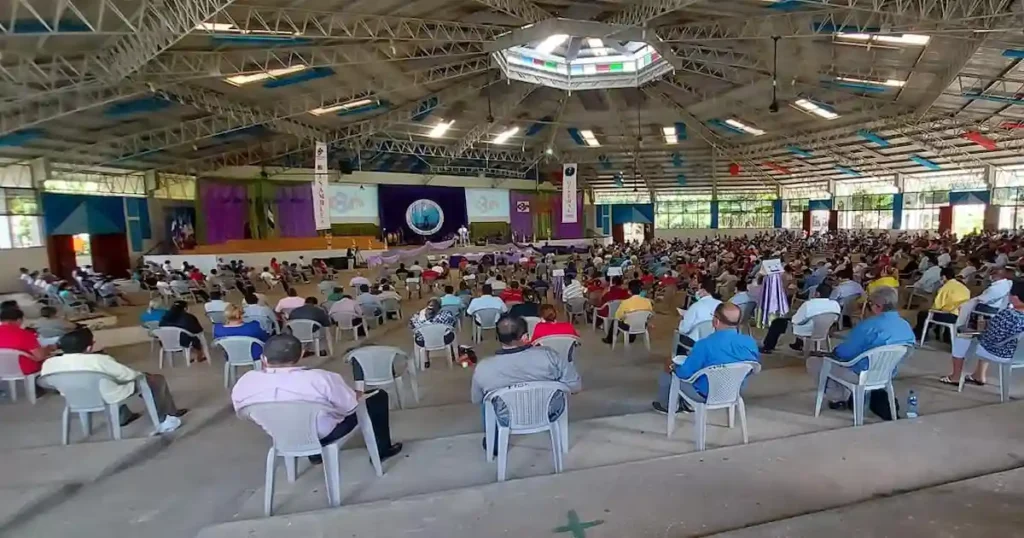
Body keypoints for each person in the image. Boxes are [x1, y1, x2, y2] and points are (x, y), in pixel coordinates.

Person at [231, 334, 402, 463]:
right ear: (301, 355)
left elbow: (242, 412)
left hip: (282, 435)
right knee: (378, 397)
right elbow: (349, 407)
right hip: (325, 434)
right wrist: (361, 395)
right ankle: (381, 450)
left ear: (263, 359)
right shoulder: (320, 378)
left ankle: (314, 454)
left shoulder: (246, 381)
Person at [472, 315, 582, 451]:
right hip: (548, 412)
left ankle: (493, 443)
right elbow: (574, 386)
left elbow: (476, 399)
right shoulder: (549, 355)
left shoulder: (484, 367)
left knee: (486, 402)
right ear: (525, 337)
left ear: (498, 337)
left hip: (506, 418)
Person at [43, 328, 187, 431]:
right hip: (108, 394)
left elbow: (48, 383)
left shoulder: (49, 364)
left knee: (108, 383)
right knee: (154, 380)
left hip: (74, 396)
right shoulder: (98, 360)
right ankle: (166, 415)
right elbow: (128, 375)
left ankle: (124, 415)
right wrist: (144, 375)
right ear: (88, 347)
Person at [807, 286, 914, 410]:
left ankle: (837, 398)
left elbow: (845, 353)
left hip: (861, 374)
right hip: (887, 373)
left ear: (878, 306)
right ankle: (850, 394)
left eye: (870, 304)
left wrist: (830, 354)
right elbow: (908, 351)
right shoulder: (905, 325)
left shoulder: (869, 325)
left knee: (815, 362)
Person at [654, 302, 759, 414]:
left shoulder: (704, 344)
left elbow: (684, 374)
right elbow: (753, 367)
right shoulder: (750, 343)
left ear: (716, 321)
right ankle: (685, 403)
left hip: (704, 395)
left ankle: (666, 406)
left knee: (669, 369)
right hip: (735, 391)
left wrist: (672, 367)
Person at [943, 279, 1024, 387]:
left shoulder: (1008, 314)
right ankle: (979, 375)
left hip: (1000, 351)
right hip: (1019, 355)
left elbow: (992, 336)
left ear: (1015, 297)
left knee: (963, 335)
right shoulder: (1014, 315)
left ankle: (956, 376)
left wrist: (980, 327)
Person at [760, 283, 840, 354]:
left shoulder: (809, 304)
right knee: (803, 320)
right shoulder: (835, 304)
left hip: (806, 330)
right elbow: (835, 319)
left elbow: (796, 320)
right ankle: (798, 344)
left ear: (817, 293)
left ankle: (767, 347)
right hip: (824, 330)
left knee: (777, 322)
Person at [914, 267, 969, 342]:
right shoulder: (964, 288)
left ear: (943, 277)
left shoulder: (946, 287)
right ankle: (946, 336)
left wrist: (929, 310)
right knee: (941, 312)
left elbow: (937, 306)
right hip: (962, 316)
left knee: (923, 314)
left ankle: (920, 335)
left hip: (949, 316)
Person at [0, 307, 52, 378]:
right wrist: (48, 349)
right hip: (25, 370)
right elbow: (40, 356)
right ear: (19, 320)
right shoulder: (25, 334)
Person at [676, 278, 721, 355]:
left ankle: (681, 362)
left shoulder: (696, 306)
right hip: (716, 341)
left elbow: (684, 329)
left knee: (678, 336)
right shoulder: (721, 304)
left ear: (703, 290)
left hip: (696, 341)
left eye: (698, 289)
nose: (697, 292)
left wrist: (681, 320)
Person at [602, 280, 653, 344]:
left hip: (629, 326)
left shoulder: (625, 302)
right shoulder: (647, 301)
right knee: (634, 318)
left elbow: (618, 316)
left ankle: (610, 339)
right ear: (640, 291)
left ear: (629, 291)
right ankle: (631, 338)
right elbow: (650, 314)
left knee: (616, 321)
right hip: (642, 325)